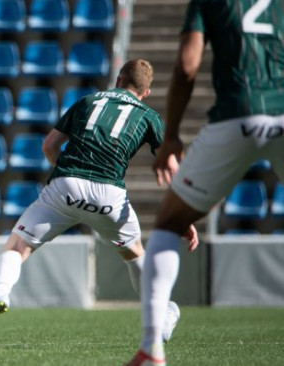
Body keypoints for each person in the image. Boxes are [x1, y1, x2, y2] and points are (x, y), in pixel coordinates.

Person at [0, 60, 198, 337]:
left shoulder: (88, 100)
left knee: (17, 247)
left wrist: (66, 174)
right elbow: (171, 165)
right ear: (145, 93)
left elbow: (49, 145)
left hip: (66, 186)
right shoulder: (148, 115)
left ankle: (1, 294)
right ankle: (163, 311)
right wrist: (185, 213)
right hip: (110, 194)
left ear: (118, 80)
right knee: (133, 254)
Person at [126, 1, 284, 365]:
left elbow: (186, 66)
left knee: (169, 222)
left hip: (237, 113)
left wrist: (172, 137)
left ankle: (151, 348)